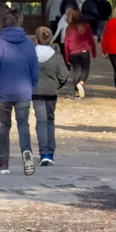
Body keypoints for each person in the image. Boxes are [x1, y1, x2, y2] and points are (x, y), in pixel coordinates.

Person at [0, 9, 40, 176]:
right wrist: (32, 87)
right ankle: (26, 152)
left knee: (4, 126)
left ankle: (3, 163)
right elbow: (34, 71)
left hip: (4, 91)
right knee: (23, 125)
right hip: (23, 91)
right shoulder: (28, 44)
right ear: (20, 22)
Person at [32, 26, 69, 166]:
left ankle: (44, 153)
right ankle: (50, 153)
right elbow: (64, 75)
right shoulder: (57, 57)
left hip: (36, 92)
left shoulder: (31, 55)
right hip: (51, 92)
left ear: (36, 40)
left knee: (40, 121)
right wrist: (57, 85)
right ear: (51, 39)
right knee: (50, 120)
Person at [63, 8, 99, 98]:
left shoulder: (69, 28)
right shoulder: (86, 26)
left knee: (76, 71)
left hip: (73, 52)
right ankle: (81, 82)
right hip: (84, 51)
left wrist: (66, 57)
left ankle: (76, 93)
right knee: (85, 69)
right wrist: (94, 53)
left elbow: (66, 43)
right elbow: (91, 39)